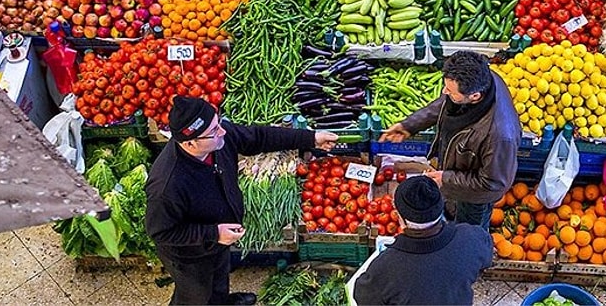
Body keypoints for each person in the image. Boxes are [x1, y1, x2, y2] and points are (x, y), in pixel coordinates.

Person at [145, 96, 338, 305]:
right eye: (214, 131)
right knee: (196, 294)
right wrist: (214, 233)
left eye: (218, 123)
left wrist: (310, 138)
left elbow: (258, 137)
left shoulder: (217, 139)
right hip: (190, 255)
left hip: (218, 240)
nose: (223, 132)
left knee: (219, 278)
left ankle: (223, 301)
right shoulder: (167, 185)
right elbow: (160, 231)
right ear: (190, 143)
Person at [379, 50, 521, 228]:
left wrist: (446, 178)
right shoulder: (482, 78)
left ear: (475, 96)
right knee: (453, 210)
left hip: (475, 197)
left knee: (468, 230)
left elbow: (493, 183)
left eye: (451, 91)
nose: (445, 92)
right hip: (459, 170)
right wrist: (410, 125)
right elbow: (446, 103)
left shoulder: (500, 136)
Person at [349, 176, 493, 305]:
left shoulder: (385, 268)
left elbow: (363, 297)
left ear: (400, 217)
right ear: (440, 207)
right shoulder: (473, 238)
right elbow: (486, 258)